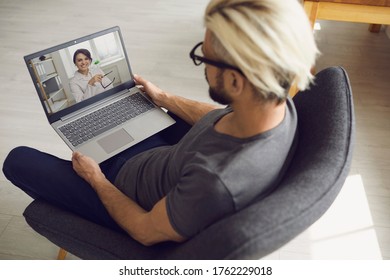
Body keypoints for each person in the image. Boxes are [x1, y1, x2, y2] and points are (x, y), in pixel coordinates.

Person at [3, 0, 318, 246]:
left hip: (124, 190)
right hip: (165, 160)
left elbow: (144, 231)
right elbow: (218, 117)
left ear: (235, 81)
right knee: (130, 107)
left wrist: (95, 179)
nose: (202, 65)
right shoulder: (278, 106)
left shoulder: (214, 184)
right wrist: (163, 97)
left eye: (203, 58)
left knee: (16, 160)